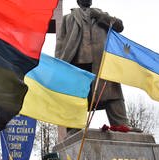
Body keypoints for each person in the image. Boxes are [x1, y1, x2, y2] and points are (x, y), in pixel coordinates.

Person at [55, 0, 141, 133]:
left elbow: (119, 26)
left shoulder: (101, 15)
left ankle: (122, 124)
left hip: (101, 61)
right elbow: (60, 44)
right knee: (76, 97)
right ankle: (74, 128)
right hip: (77, 63)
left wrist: (101, 17)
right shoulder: (68, 18)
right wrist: (58, 64)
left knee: (112, 93)